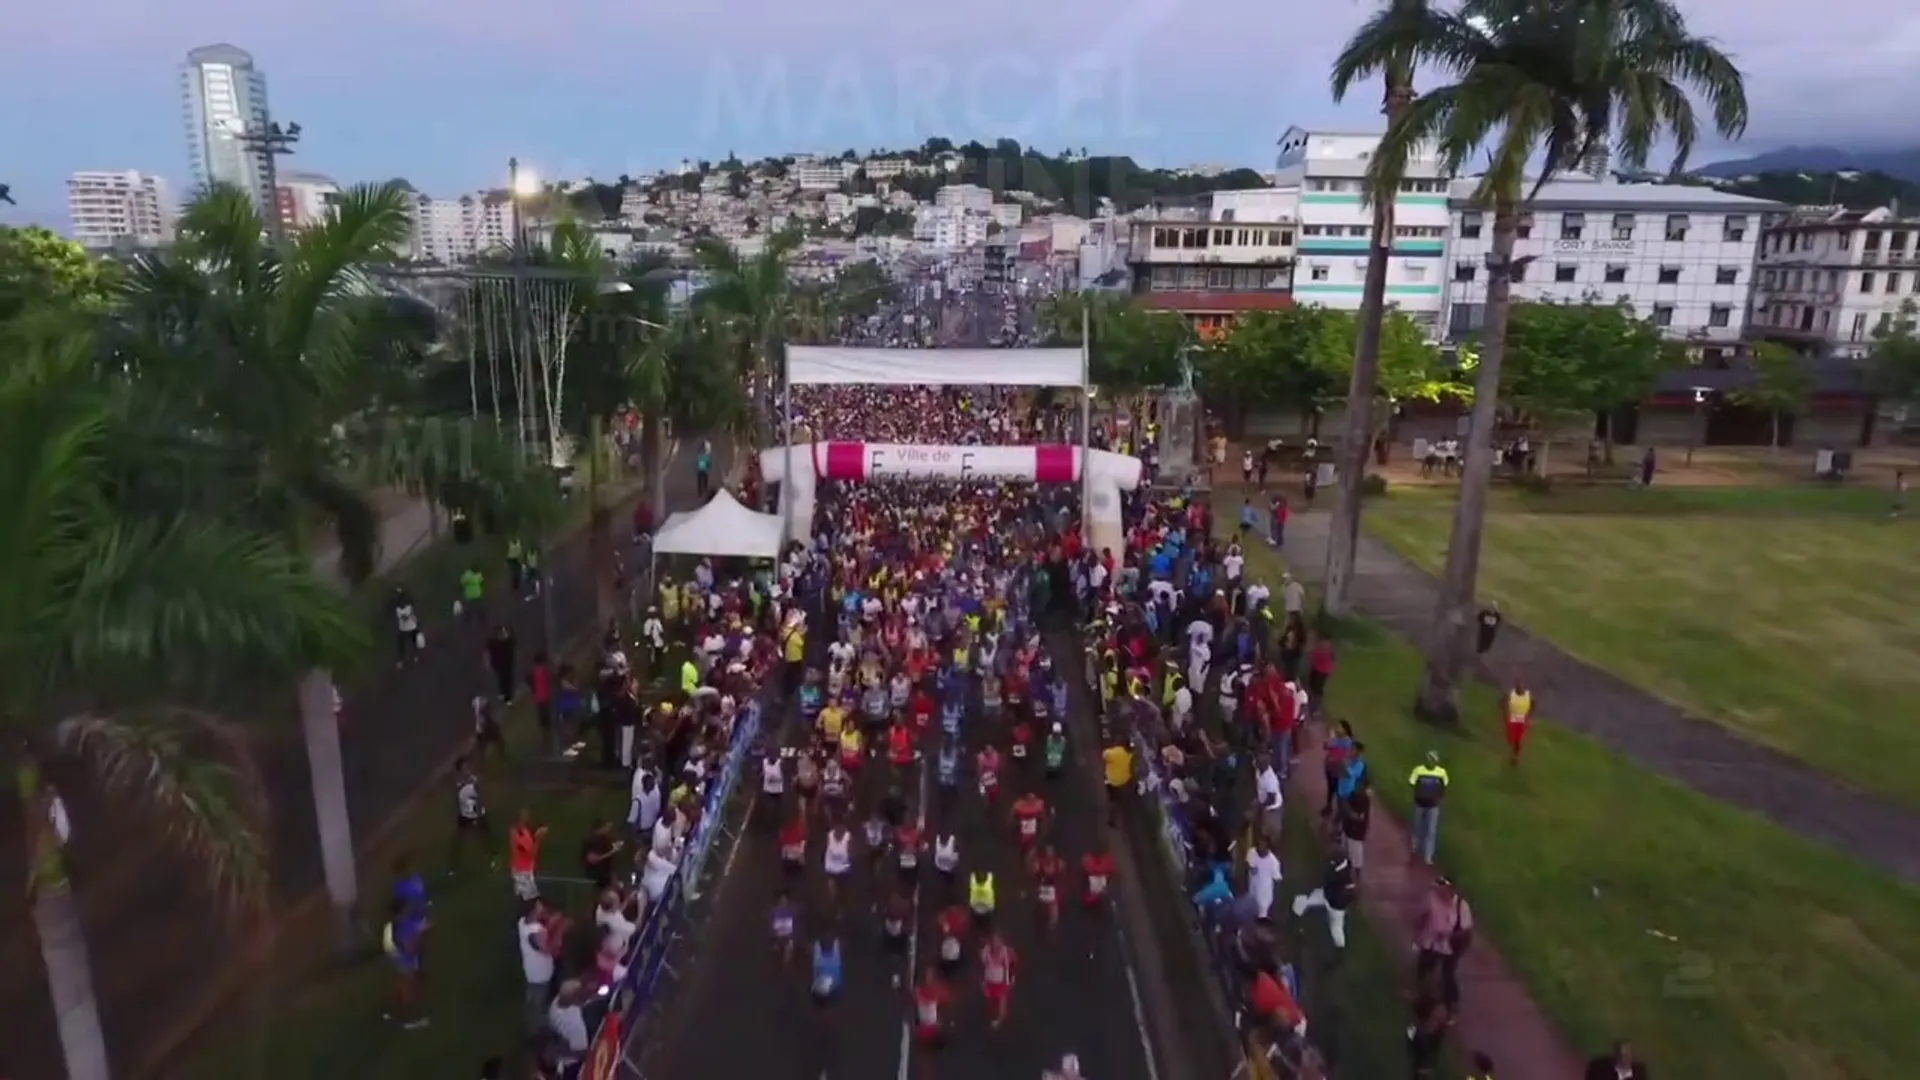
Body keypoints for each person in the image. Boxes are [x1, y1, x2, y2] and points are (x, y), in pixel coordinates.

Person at [1290, 853, 1356, 949]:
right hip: (1326, 895)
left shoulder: (1344, 880)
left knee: (1336, 929)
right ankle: (1295, 924)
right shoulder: (1339, 868)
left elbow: (1329, 879)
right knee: (1301, 900)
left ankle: (1340, 951)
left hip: (1336, 906)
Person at [1407, 752, 1449, 865]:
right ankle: (1415, 848)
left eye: (1433, 760)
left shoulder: (1441, 773)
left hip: (1433, 805)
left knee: (1431, 831)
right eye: (1429, 759)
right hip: (1420, 803)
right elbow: (1412, 783)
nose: (1431, 762)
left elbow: (1444, 787)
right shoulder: (1418, 770)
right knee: (1417, 827)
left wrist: (1440, 799)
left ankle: (1428, 856)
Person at [979, 931, 1017, 1028]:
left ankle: (999, 1021)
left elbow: (1010, 965)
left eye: (997, 942)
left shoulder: (1006, 952)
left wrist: (1011, 979)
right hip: (989, 982)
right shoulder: (985, 951)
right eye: (993, 942)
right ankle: (992, 1019)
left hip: (1001, 982)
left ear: (1001, 942)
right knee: (990, 1005)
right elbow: (981, 967)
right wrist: (982, 982)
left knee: (1001, 1004)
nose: (995, 945)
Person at [1503, 677, 1533, 766]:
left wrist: (1529, 717)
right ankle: (1513, 753)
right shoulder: (1511, 695)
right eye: (1519, 686)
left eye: (1522, 686)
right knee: (1511, 739)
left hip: (1522, 720)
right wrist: (1506, 715)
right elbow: (1505, 704)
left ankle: (1515, 757)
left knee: (1518, 740)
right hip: (1513, 719)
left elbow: (1532, 704)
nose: (1520, 688)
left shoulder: (1527, 695)